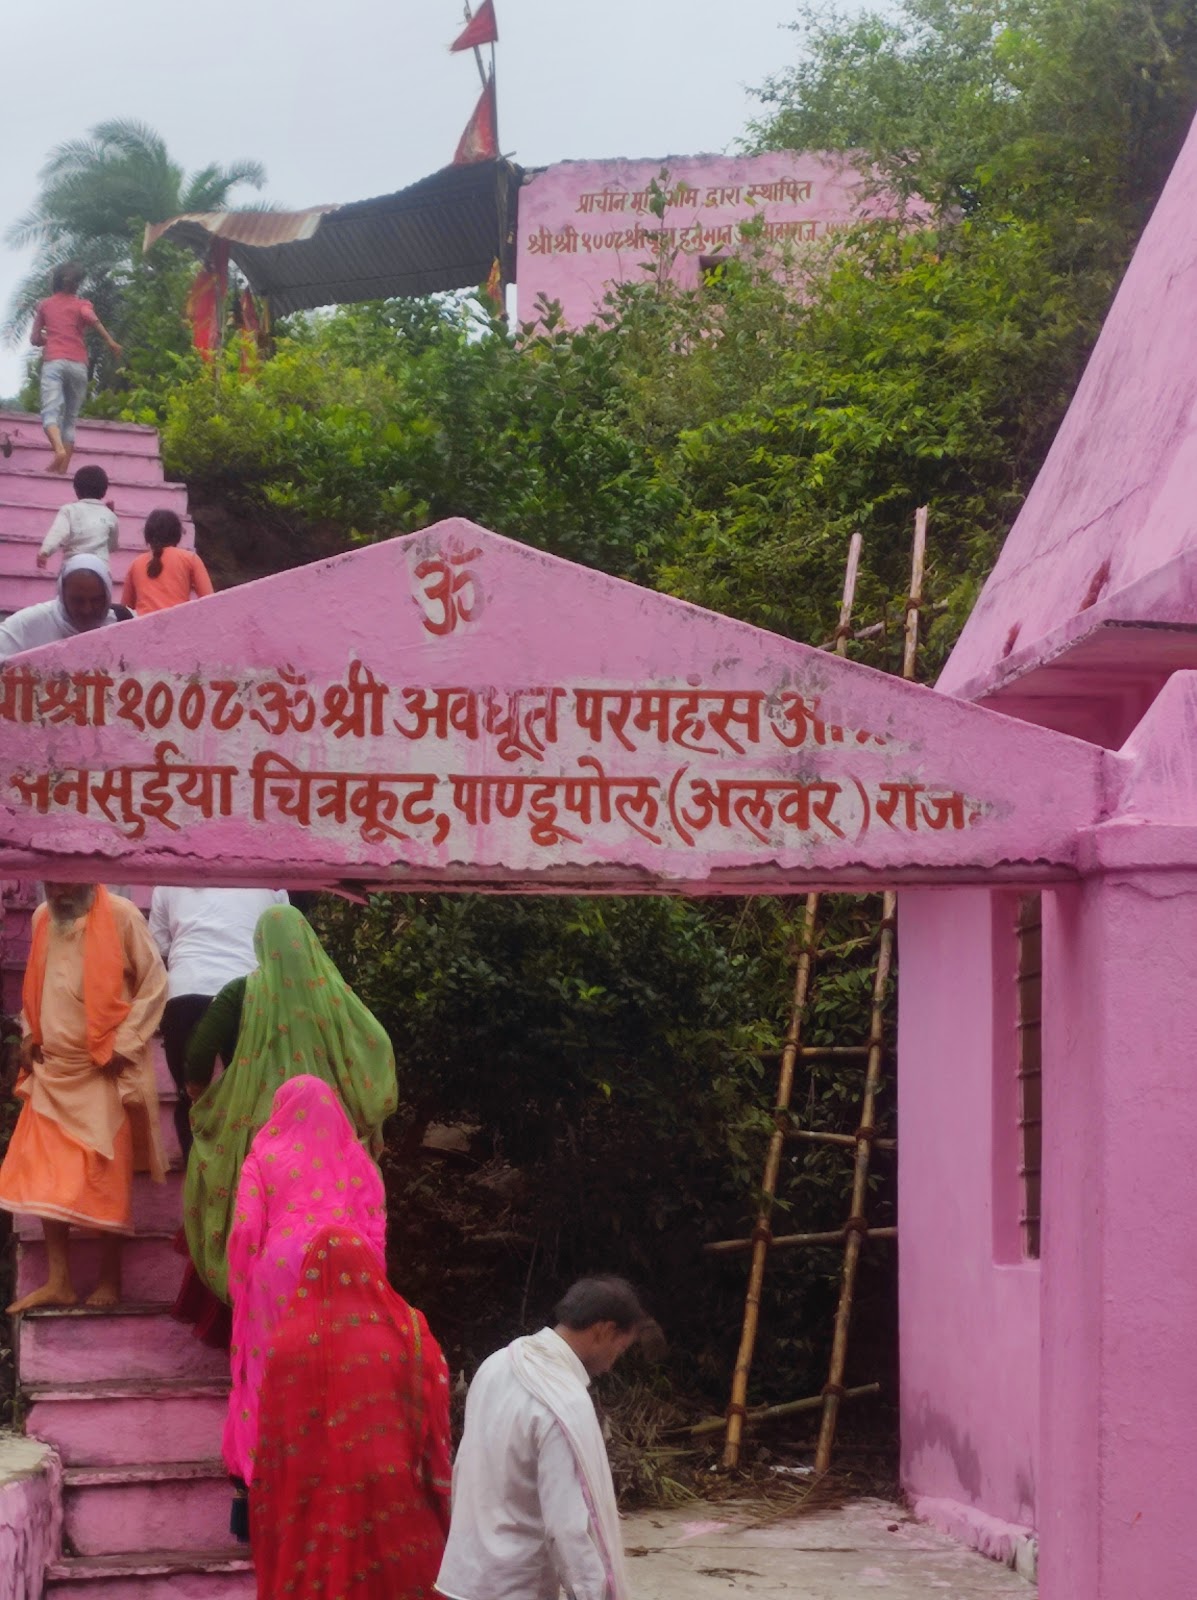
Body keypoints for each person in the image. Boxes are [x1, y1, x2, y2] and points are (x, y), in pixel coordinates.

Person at [182, 903, 398, 1305]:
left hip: (256, 1126)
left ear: (261, 943)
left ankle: (253, 1306)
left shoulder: (240, 992)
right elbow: (378, 1042)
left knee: (254, 1217)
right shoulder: (333, 993)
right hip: (330, 1127)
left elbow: (200, 1049)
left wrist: (200, 1092)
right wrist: (365, 1109)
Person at [251, 1226, 452, 1598]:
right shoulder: (407, 1328)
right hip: (393, 1496)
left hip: (310, 1506)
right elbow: (435, 1402)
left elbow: (274, 1445)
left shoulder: (285, 1344)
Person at [0, 883, 168, 1314]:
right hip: (52, 1070)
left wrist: (125, 1044)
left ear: (89, 875)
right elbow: (39, 986)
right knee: (45, 1171)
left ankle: (110, 1276)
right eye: (51, 883)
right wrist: (30, 1033)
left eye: (67, 883)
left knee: (102, 1173)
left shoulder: (123, 913)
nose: (58, 893)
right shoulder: (41, 917)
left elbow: (154, 984)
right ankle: (59, 1281)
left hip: (102, 1069)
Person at [437, 1276, 651, 1600]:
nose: (611, 1365)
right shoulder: (562, 1400)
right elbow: (567, 1526)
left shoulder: (497, 1364)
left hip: (465, 1575)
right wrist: (592, 1593)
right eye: (619, 1349)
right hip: (516, 1586)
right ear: (604, 1331)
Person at [148, 886, 288, 1158]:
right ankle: (248, 1176)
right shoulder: (270, 876)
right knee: (253, 1098)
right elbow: (281, 937)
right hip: (249, 991)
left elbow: (159, 946)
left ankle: (198, 1178)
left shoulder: (169, 878)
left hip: (187, 990)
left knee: (191, 1100)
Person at [30, 262, 122, 475]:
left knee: (50, 412)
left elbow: (34, 339)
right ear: (77, 284)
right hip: (78, 364)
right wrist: (110, 341)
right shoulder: (82, 304)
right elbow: (92, 319)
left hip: (54, 361)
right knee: (70, 418)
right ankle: (62, 470)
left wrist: (50, 338)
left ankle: (59, 451)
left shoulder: (44, 305)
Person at [0, 552, 123, 661]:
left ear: (107, 596)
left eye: (96, 600)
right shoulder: (28, 624)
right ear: (62, 595)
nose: (87, 610)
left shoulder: (122, 622)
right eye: (77, 601)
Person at [121, 509, 214, 615]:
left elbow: (125, 608)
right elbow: (209, 600)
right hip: (178, 621)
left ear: (147, 535)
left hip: (144, 623)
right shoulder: (190, 559)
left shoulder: (136, 563)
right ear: (177, 534)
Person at [36, 465, 118, 570]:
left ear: (76, 490)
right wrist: (111, 514)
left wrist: (45, 551)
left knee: (63, 580)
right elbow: (112, 546)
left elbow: (57, 533)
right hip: (100, 566)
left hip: (72, 564)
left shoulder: (68, 510)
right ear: (104, 490)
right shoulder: (110, 515)